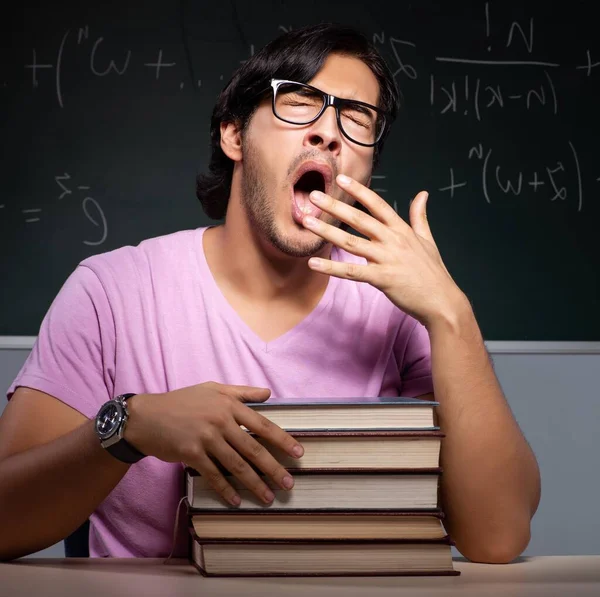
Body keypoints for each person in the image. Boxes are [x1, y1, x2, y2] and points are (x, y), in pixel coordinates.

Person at [0, 22, 540, 563]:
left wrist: (451, 312)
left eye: (356, 118)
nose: (330, 133)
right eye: (300, 102)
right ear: (234, 135)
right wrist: (130, 428)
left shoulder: (397, 308)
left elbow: (496, 537)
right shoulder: (110, 293)